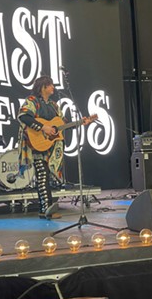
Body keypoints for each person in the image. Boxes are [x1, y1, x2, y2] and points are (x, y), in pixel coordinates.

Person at [17, 75, 94, 219]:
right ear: (43, 87)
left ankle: (47, 208)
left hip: (49, 147)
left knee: (46, 176)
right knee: (42, 175)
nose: (53, 87)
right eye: (51, 85)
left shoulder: (54, 105)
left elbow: (61, 125)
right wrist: (43, 127)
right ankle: (45, 209)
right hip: (36, 144)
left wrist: (80, 123)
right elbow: (24, 117)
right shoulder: (32, 101)